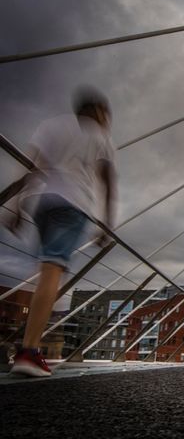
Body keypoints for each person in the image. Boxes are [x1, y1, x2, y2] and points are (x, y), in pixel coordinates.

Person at [9, 86, 117, 377]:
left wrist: (17, 206)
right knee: (52, 271)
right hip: (73, 205)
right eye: (106, 115)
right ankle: (29, 352)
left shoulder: (52, 126)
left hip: (43, 203)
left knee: (47, 270)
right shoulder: (99, 136)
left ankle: (28, 347)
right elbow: (107, 179)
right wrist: (107, 222)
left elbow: (32, 167)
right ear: (98, 112)